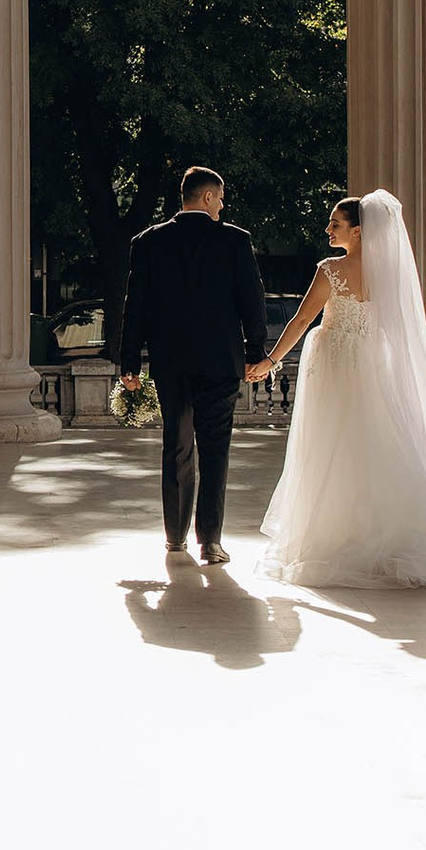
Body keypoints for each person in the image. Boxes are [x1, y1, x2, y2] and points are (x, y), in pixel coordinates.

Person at [254, 191, 426, 588]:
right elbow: (402, 331)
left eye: (335, 224)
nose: (327, 230)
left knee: (332, 449)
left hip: (337, 367)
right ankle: (396, 534)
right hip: (374, 365)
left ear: (357, 232)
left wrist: (271, 361)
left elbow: (303, 319)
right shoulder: (390, 273)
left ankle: (341, 536)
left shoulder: (330, 270)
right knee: (380, 443)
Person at [116, 166, 268, 564]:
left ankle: (175, 537)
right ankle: (211, 541)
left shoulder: (148, 241)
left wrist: (129, 361)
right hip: (221, 363)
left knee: (177, 447)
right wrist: (257, 352)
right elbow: (251, 302)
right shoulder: (236, 240)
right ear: (206, 197)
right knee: (216, 451)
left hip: (171, 363)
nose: (222, 205)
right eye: (219, 197)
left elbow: (136, 308)